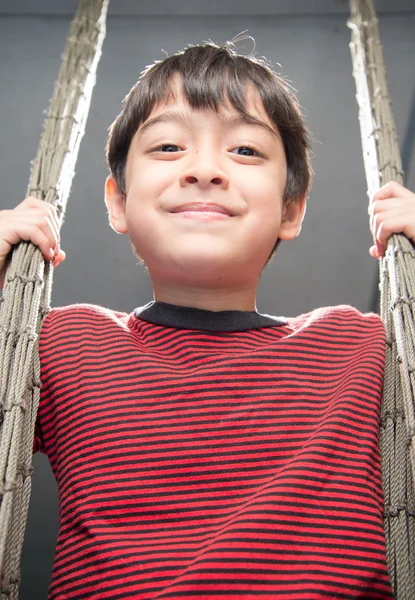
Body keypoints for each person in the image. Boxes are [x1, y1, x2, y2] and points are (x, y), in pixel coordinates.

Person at [1, 42, 415, 600]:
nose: (204, 170)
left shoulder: (362, 347)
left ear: (291, 209)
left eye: (244, 150)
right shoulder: (63, 342)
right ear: (118, 201)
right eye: (169, 146)